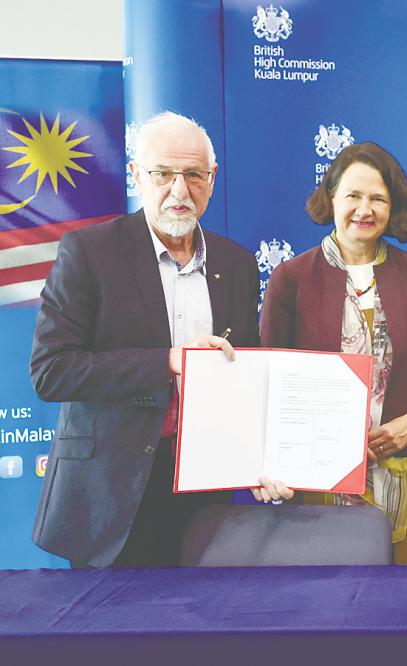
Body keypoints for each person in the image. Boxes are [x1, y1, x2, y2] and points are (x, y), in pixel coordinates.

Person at [30, 111, 261, 567]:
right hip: (111, 491)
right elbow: (51, 372)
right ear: (137, 176)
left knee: (206, 629)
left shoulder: (237, 265)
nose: (179, 190)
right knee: (113, 636)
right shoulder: (89, 253)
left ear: (212, 180)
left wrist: (260, 456)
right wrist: (170, 361)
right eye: (162, 174)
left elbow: (246, 374)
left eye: (193, 175)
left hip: (205, 487)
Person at [258, 142, 407, 565]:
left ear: (393, 208)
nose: (364, 209)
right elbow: (268, 384)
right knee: (327, 608)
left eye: (378, 199)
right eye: (353, 195)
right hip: (316, 476)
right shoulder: (291, 278)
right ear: (331, 197)